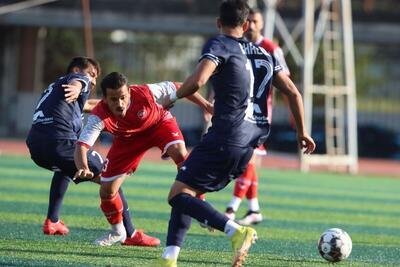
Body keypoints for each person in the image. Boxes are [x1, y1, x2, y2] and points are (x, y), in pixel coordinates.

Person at [154, 0, 316, 266]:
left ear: (218, 23)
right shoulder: (265, 54)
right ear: (245, 25)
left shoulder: (218, 44)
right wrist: (302, 132)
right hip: (251, 141)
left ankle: (236, 231)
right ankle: (169, 258)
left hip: (227, 134)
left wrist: (170, 97)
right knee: (186, 189)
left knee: (177, 195)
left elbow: (198, 80)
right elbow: (293, 92)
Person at [73, 72, 213, 247]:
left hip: (159, 125)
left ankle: (199, 202)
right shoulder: (98, 115)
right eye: (114, 99)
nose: (120, 103)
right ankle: (118, 232)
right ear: (105, 100)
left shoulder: (146, 92)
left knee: (180, 153)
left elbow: (179, 86)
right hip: (127, 141)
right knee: (107, 191)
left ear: (129, 92)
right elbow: (82, 145)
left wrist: (206, 105)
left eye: (123, 97)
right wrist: (83, 166)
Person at [25, 57, 144, 246]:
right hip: (60, 142)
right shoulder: (76, 80)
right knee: (111, 176)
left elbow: (93, 106)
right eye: (92, 74)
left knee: (66, 168)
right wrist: (78, 85)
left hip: (37, 147)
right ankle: (130, 234)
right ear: (76, 69)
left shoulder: (56, 87)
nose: (94, 80)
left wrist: (120, 102)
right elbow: (80, 80)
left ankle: (52, 221)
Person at [224, 7, 293, 226]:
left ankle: (230, 211)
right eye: (249, 21)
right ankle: (254, 209)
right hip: (239, 113)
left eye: (256, 21)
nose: (252, 25)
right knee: (247, 162)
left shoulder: (271, 48)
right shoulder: (238, 46)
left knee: (246, 162)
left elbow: (286, 83)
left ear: (261, 24)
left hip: (260, 116)